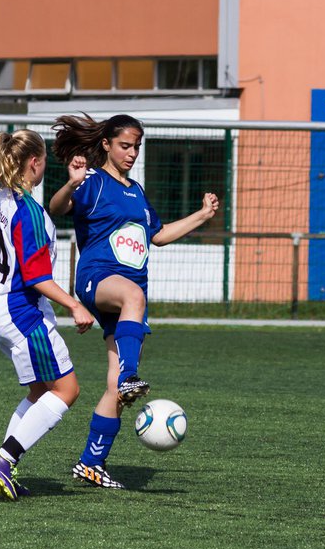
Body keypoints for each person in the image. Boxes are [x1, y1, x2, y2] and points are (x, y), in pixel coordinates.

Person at [49, 113, 219, 489]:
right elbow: (57, 208)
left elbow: (157, 236)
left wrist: (203, 215)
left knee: (116, 391)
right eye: (125, 145)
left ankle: (91, 462)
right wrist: (71, 183)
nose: (132, 153)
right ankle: (129, 375)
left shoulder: (136, 191)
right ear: (106, 144)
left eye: (137, 146)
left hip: (128, 303)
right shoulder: (92, 181)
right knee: (133, 298)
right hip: (98, 279)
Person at [0, 130, 95, 501]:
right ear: (34, 163)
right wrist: (74, 305)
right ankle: (5, 458)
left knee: (41, 390)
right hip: (22, 311)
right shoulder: (29, 212)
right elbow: (37, 276)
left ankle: (4, 468)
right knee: (67, 390)